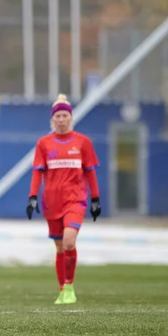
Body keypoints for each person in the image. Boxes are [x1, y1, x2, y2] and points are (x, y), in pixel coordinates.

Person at [26, 94, 101, 304]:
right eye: (57, 115)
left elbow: (91, 172)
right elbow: (37, 172)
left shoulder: (82, 142)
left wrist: (95, 199)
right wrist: (32, 197)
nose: (61, 119)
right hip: (52, 202)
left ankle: (69, 285)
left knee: (69, 242)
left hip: (75, 201)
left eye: (65, 115)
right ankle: (62, 289)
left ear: (71, 118)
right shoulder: (44, 143)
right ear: (52, 119)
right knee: (59, 247)